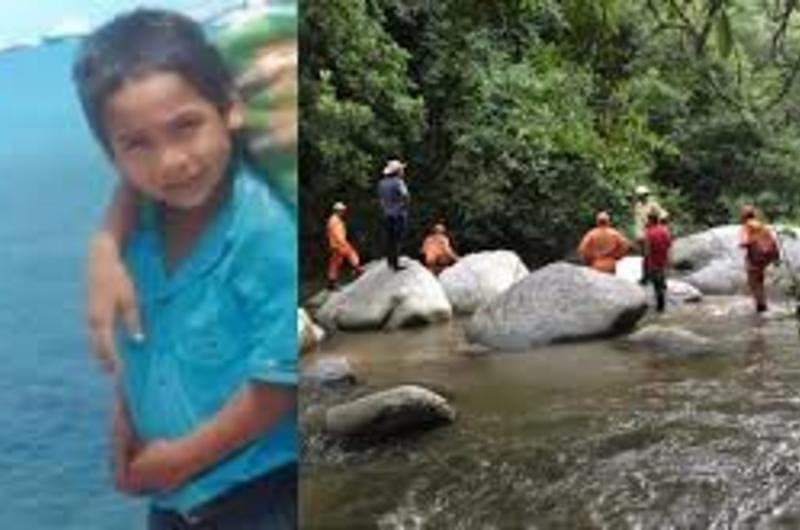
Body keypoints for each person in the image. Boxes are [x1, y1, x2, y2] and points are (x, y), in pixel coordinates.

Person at [73, 10, 296, 529]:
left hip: (261, 495)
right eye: (138, 144)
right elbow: (144, 343)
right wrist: (124, 422)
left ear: (230, 109)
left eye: (186, 127)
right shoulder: (139, 234)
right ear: (111, 156)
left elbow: (279, 384)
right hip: (174, 502)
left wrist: (181, 459)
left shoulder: (263, 233)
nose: (171, 161)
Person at [739, 205, 779, 313]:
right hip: (765, 258)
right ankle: (763, 305)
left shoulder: (746, 226)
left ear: (743, 216)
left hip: (754, 258)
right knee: (759, 281)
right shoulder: (761, 225)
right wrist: (775, 256)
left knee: (753, 282)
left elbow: (744, 242)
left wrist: (743, 244)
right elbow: (773, 241)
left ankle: (761, 307)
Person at [377, 159, 410, 271]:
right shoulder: (398, 182)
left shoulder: (381, 183)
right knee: (397, 239)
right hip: (398, 214)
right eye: (401, 170)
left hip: (386, 214)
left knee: (389, 238)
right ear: (397, 171)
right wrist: (403, 207)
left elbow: (381, 200)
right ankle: (396, 264)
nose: (403, 172)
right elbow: (405, 196)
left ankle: (390, 261)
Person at [633, 185, 667, 283]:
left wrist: (659, 225)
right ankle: (646, 277)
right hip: (643, 234)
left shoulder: (653, 204)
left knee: (655, 256)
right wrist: (638, 234)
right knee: (645, 257)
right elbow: (638, 221)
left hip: (652, 233)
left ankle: (659, 279)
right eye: (640, 196)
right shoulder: (638, 206)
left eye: (643, 195)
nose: (641, 197)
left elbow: (662, 214)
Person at [326, 201, 363, 290]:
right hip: (338, 244)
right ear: (337, 210)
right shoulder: (334, 220)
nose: (343, 212)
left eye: (343, 210)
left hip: (337, 244)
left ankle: (356, 269)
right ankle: (356, 270)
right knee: (339, 262)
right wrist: (343, 243)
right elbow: (337, 234)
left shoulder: (335, 219)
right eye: (342, 210)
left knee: (336, 263)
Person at [642, 209, 672, 312]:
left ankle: (660, 307)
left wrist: (646, 263)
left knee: (656, 285)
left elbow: (647, 250)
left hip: (653, 261)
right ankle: (662, 304)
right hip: (663, 260)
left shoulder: (649, 232)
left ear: (650, 220)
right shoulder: (665, 230)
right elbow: (669, 245)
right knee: (661, 281)